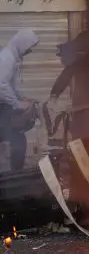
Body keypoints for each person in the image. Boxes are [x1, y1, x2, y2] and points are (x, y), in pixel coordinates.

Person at [0, 29, 40, 171]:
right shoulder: (7, 58)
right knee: (17, 140)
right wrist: (17, 103)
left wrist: (23, 98)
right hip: (2, 108)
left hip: (5, 107)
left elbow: (11, 86)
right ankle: (15, 175)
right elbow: (2, 85)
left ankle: (11, 173)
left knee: (13, 139)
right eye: (29, 47)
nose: (29, 51)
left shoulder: (12, 58)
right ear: (22, 43)